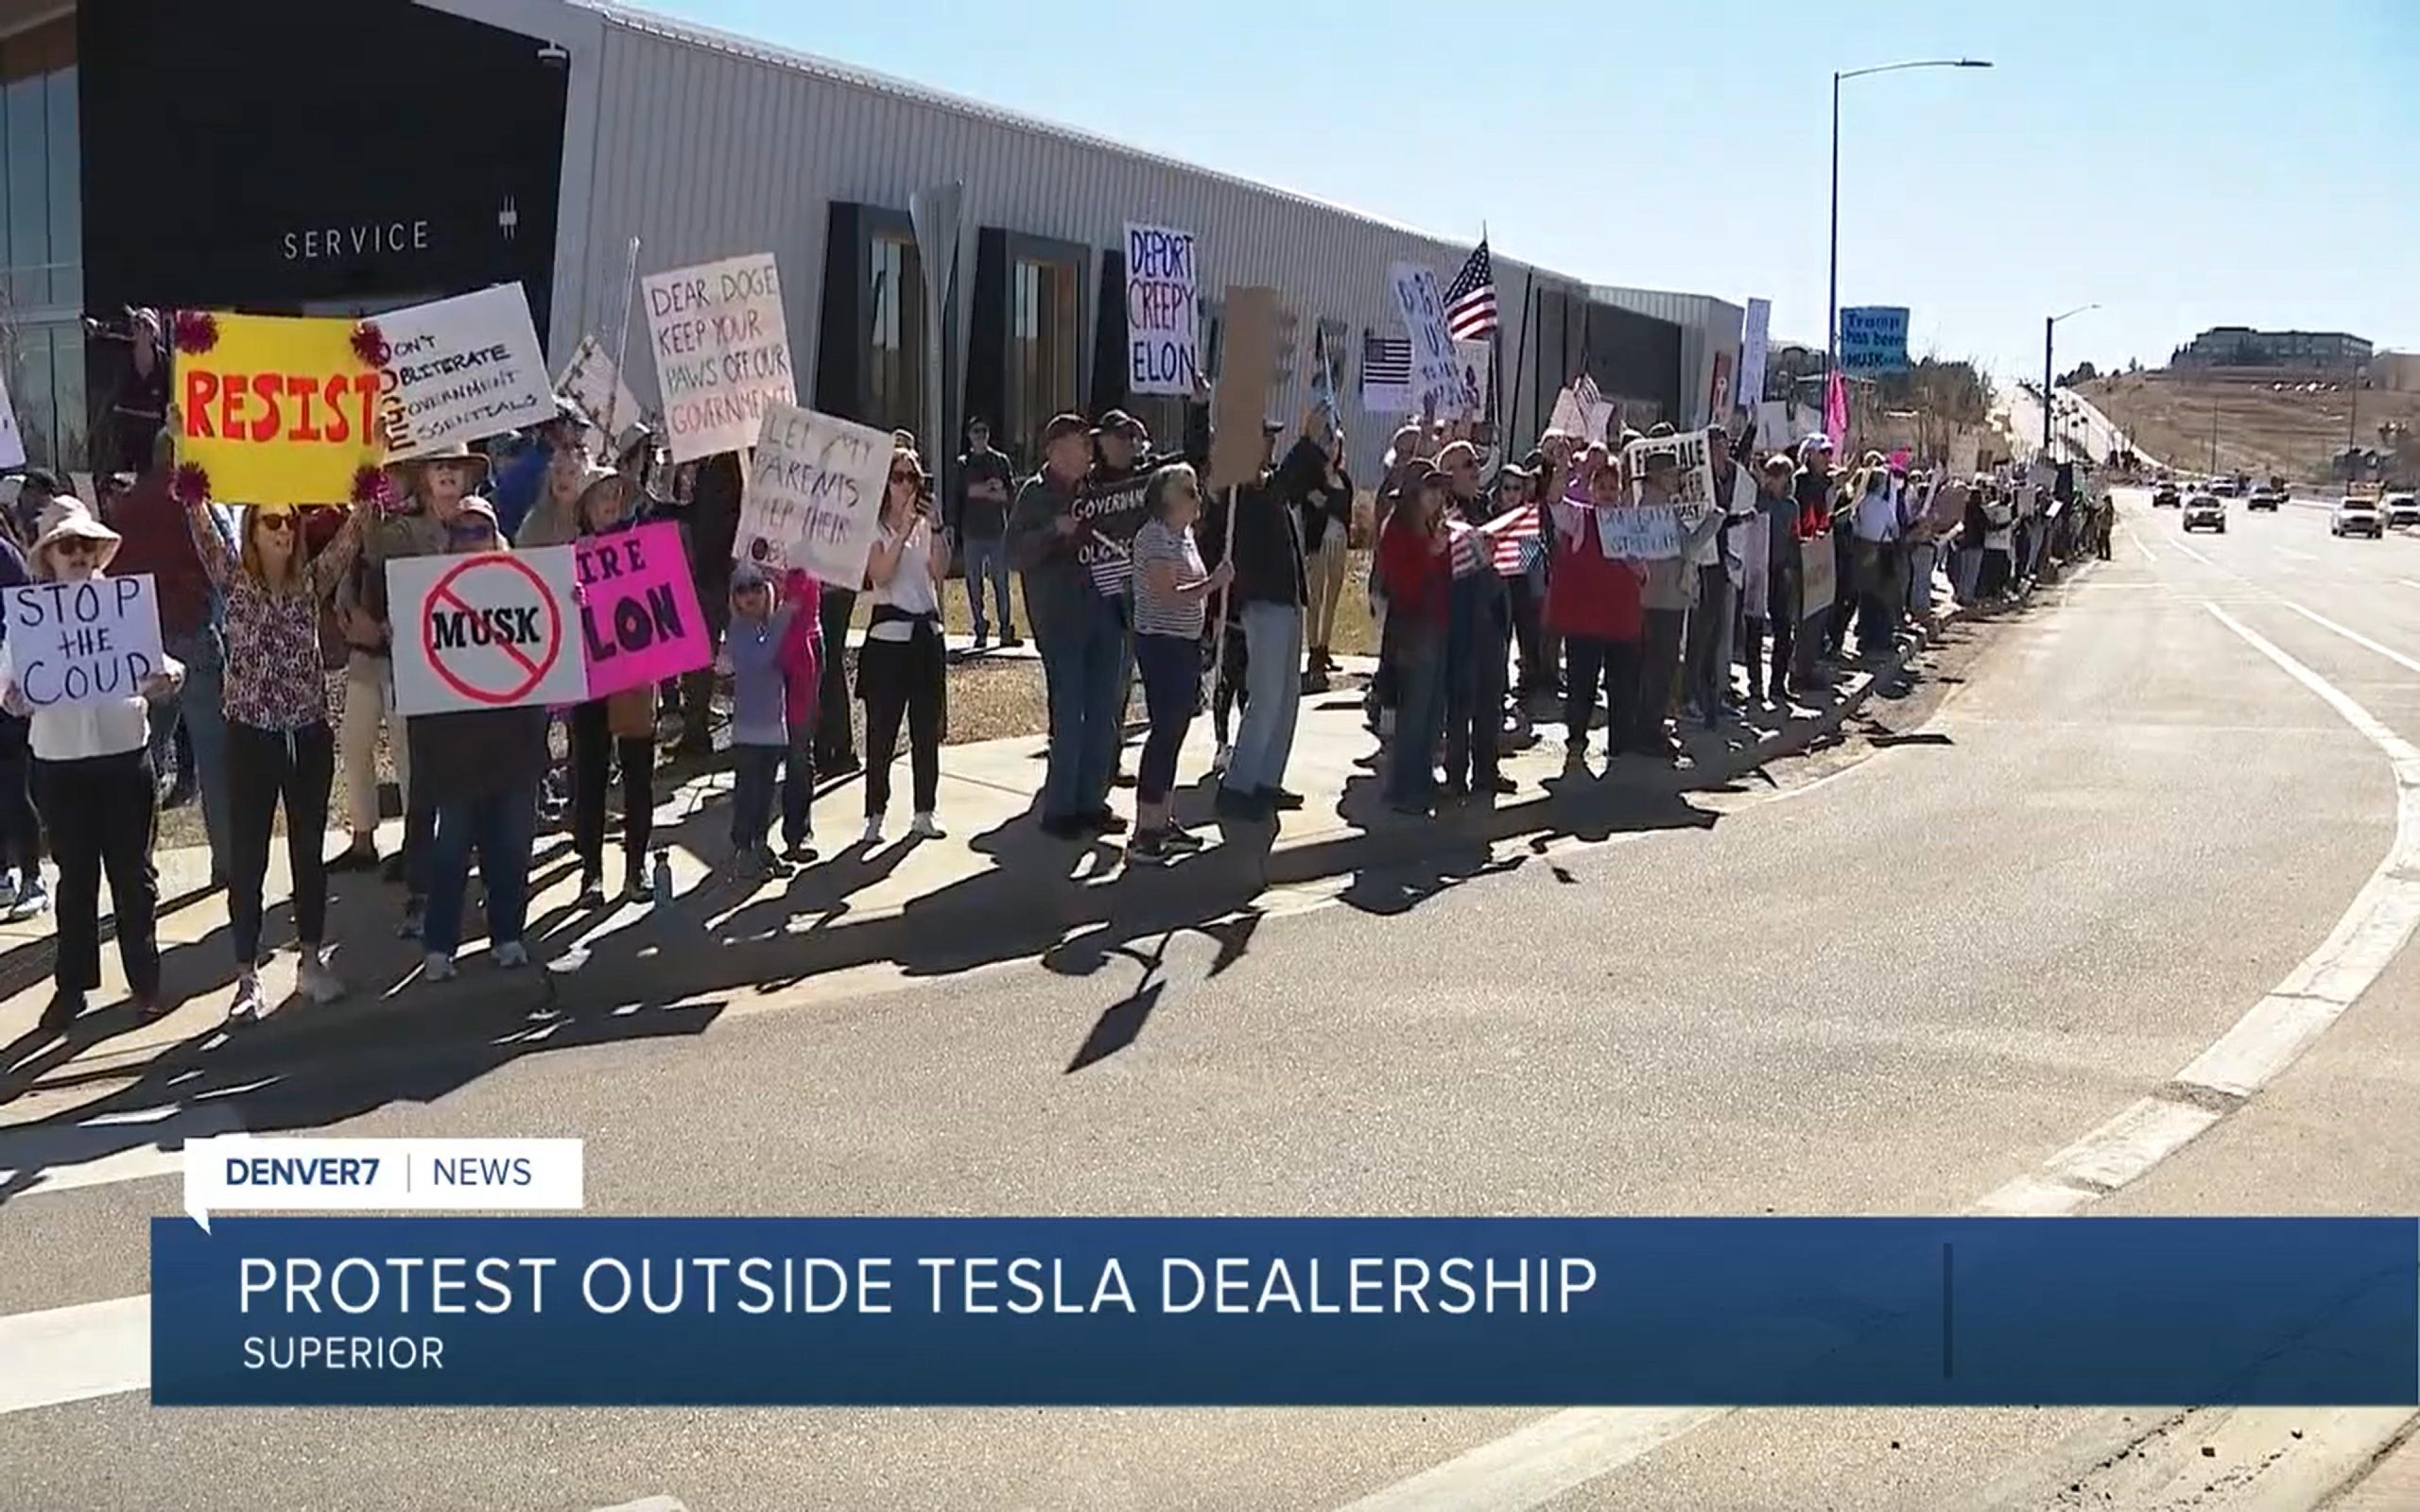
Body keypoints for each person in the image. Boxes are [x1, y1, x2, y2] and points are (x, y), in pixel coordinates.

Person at [185, 489, 367, 1020]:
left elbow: (353, 535)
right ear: (252, 531)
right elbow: (202, 532)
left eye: (290, 521)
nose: (284, 531)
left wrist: (366, 490)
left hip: (307, 735)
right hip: (252, 736)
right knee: (249, 859)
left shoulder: (311, 583)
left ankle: (310, 962)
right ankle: (247, 976)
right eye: (271, 522)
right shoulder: (235, 581)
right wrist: (192, 491)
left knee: (308, 853)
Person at [3, 501, 183, 1030]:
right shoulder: (31, 618)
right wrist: (13, 698)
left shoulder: (123, 604)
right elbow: (8, 680)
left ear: (99, 551)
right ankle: (73, 987)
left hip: (125, 756)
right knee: (75, 880)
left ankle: (145, 981)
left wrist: (168, 677)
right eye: (66, 545)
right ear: (49, 557)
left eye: (85, 545)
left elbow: (161, 661)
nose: (78, 554)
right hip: (60, 765)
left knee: (134, 876)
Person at [353, 443, 498, 939]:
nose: (447, 476)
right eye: (438, 467)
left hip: (479, 685)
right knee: (425, 791)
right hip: (423, 677)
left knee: (477, 791)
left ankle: (476, 889)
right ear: (423, 477)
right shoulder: (398, 532)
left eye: (455, 468)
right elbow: (372, 559)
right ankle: (420, 896)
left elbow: (517, 589)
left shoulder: (486, 526)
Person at [413, 497, 549, 981]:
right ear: (448, 542)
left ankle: (508, 936)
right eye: (463, 533)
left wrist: (570, 605)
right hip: (455, 755)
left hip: (514, 748)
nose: (472, 542)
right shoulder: (426, 598)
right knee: (450, 853)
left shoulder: (528, 590)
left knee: (512, 849)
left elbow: (554, 650)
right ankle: (439, 946)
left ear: (497, 539)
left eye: (481, 532)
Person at [107, 427, 233, 882]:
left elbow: (112, 572)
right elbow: (227, 563)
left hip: (144, 641)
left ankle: (141, 862)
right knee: (214, 755)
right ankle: (227, 862)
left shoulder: (127, 506)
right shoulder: (197, 503)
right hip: (194, 632)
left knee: (146, 754)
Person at [1011, 413, 1128, 839]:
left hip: (1104, 611)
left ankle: (1092, 801)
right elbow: (1014, 554)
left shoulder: (1096, 491)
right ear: (1055, 449)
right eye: (1080, 444)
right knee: (1070, 713)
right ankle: (1060, 808)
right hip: (1061, 618)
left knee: (1103, 713)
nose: (1088, 452)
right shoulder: (1034, 495)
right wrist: (1052, 531)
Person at [552, 465, 660, 907]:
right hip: (590, 676)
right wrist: (570, 593)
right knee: (591, 775)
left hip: (634, 674)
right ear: (586, 508)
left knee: (638, 774)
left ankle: (637, 867)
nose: (610, 501)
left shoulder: (644, 544)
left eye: (616, 493)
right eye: (601, 495)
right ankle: (591, 872)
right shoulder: (570, 554)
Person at [1211, 413, 1320, 821]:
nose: (1271, 443)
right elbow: (1280, 489)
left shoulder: (1265, 482)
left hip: (1288, 599)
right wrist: (1306, 442)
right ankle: (1238, 784)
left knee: (1287, 697)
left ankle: (1266, 779)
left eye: (1274, 436)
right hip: (1262, 600)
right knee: (1266, 695)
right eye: (1263, 437)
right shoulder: (1236, 490)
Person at [1126, 461, 1231, 864]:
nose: (1197, 498)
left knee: (1176, 732)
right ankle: (1144, 828)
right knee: (1164, 732)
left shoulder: (1183, 535)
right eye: (1189, 492)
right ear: (1167, 498)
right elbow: (1168, 593)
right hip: (1161, 645)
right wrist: (1212, 584)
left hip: (1184, 644)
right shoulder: (1153, 537)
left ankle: (1163, 818)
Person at [858, 449, 950, 845]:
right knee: (882, 731)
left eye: (913, 478)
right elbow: (880, 573)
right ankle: (875, 813)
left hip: (925, 634)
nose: (907, 485)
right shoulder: (874, 529)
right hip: (887, 641)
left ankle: (924, 811)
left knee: (925, 730)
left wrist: (935, 527)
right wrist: (903, 527)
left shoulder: (926, 527)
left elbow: (940, 571)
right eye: (898, 477)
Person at [1548, 453, 1647, 772]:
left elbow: (1644, 574)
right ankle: (1576, 739)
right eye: (1601, 486)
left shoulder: (1633, 524)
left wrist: (1636, 568)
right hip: (1585, 622)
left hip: (1621, 620)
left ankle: (1620, 743)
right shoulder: (1579, 519)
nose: (1606, 492)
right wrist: (1563, 469)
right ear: (1591, 489)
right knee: (1582, 683)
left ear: (1620, 490)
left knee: (1622, 685)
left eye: (1612, 486)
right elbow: (1554, 504)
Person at [1633, 449, 1721, 759]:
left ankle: (1650, 724)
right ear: (1658, 478)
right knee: (1661, 665)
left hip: (1662, 595)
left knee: (1659, 664)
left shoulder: (1655, 505)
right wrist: (1713, 523)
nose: (1677, 481)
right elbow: (1687, 548)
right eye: (1672, 475)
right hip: (1662, 598)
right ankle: (1649, 730)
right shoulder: (1655, 508)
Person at [1376, 464, 1452, 816]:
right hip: (1412, 628)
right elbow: (1403, 582)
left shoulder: (1431, 527)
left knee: (1431, 709)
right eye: (1430, 488)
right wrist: (1431, 553)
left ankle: (1421, 780)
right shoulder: (1397, 529)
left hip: (1435, 625)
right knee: (1414, 711)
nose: (1437, 496)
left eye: (1440, 489)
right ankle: (1404, 787)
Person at [1441, 447, 1513, 799]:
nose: (1475, 471)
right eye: (1468, 465)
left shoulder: (1485, 508)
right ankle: (1456, 774)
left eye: (1475, 465)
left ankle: (1487, 770)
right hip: (1462, 616)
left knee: (1489, 698)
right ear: (1450, 473)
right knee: (1461, 700)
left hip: (1493, 612)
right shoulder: (1445, 511)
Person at [720, 562, 800, 876]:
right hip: (747, 730)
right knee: (747, 793)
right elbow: (760, 659)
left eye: (756, 586)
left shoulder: (771, 627)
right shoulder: (737, 632)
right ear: (733, 598)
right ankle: (744, 848)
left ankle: (761, 845)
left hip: (773, 726)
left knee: (767, 794)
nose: (750, 595)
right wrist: (784, 618)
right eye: (741, 589)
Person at [1685, 428, 1756, 729]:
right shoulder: (1699, 481)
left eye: (1722, 446)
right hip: (1704, 560)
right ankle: (1691, 695)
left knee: (1717, 634)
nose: (1719, 453)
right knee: (1699, 634)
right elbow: (1706, 518)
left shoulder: (1734, 477)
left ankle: (1713, 694)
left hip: (1725, 561)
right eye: (1713, 448)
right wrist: (1738, 519)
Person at [950, 418, 1018, 650]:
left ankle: (1006, 629)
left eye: (983, 431)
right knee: (974, 583)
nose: (980, 435)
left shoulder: (1000, 461)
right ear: (969, 436)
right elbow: (964, 493)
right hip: (972, 532)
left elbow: (1008, 494)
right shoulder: (964, 463)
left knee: (1001, 582)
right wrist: (990, 489)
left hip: (997, 530)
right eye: (975, 431)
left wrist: (984, 491)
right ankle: (980, 628)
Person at [1299, 425, 1354, 693]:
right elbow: (1313, 506)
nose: (1332, 449)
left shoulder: (1344, 478)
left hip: (1339, 540)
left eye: (1336, 445)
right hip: (1318, 542)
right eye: (1328, 444)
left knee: (1332, 596)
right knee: (1316, 598)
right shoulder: (1311, 477)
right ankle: (1312, 650)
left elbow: (1345, 509)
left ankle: (1324, 646)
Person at [775, 566, 824, 861]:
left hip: (807, 645)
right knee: (762, 748)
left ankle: (798, 833)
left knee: (799, 746)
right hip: (767, 645)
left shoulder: (813, 540)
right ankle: (751, 839)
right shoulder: (755, 537)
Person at [1742, 454, 1797, 706]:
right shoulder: (1757, 501)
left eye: (1782, 476)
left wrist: (1791, 567)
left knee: (1783, 630)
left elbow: (1792, 539)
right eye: (1774, 476)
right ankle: (1755, 683)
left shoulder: (1790, 506)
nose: (1778, 481)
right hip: (1756, 569)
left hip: (1779, 570)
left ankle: (1778, 683)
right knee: (1754, 629)